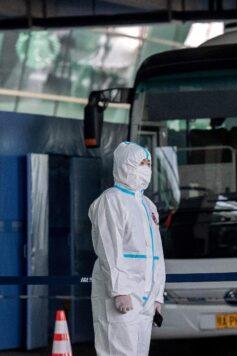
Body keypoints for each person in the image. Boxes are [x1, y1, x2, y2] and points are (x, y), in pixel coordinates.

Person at [89, 141, 166, 356]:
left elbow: (156, 253)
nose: (147, 168)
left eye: (148, 164)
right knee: (118, 350)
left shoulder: (148, 205)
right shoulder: (111, 200)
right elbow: (109, 249)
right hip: (121, 294)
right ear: (125, 165)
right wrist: (119, 290)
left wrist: (158, 295)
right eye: (141, 163)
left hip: (146, 295)